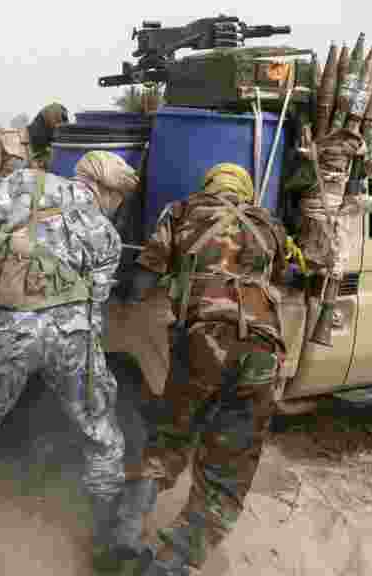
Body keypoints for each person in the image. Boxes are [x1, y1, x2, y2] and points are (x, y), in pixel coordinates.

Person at [0, 151, 139, 574]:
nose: (116, 205)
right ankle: (108, 536)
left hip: (4, 330)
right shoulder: (108, 237)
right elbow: (96, 309)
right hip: (72, 337)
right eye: (117, 196)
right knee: (100, 430)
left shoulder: (27, 183)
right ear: (103, 190)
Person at [116, 164, 295, 576]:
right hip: (262, 351)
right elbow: (278, 279)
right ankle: (170, 562)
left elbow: (142, 284)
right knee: (226, 469)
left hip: (203, 341)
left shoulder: (181, 212)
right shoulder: (269, 223)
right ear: (247, 192)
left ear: (208, 186)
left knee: (168, 440)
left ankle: (123, 535)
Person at [0, 102, 68, 206]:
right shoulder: (7, 139)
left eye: (53, 135)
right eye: (48, 132)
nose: (51, 138)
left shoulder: (54, 153)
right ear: (39, 124)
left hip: (32, 211)